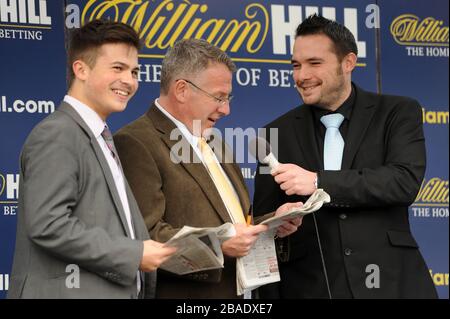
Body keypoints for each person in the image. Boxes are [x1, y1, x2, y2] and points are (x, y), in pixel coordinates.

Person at [253, 14, 438, 299]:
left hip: (391, 284)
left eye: (315, 63)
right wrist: (276, 223)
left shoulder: (397, 112)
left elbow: (403, 181)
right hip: (307, 287)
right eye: (296, 65)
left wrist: (317, 182)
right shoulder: (273, 133)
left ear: (348, 62)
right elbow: (263, 224)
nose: (302, 76)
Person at [114, 38, 302, 298]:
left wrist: (270, 224)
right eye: (219, 97)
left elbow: (233, 225)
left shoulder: (215, 141)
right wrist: (221, 243)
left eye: (228, 98)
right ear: (181, 89)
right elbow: (147, 237)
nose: (226, 109)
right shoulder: (135, 142)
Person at [7, 20, 176, 299]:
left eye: (134, 71)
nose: (129, 81)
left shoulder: (100, 136)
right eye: (118, 68)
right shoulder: (58, 133)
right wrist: (134, 254)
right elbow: (49, 224)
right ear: (81, 69)